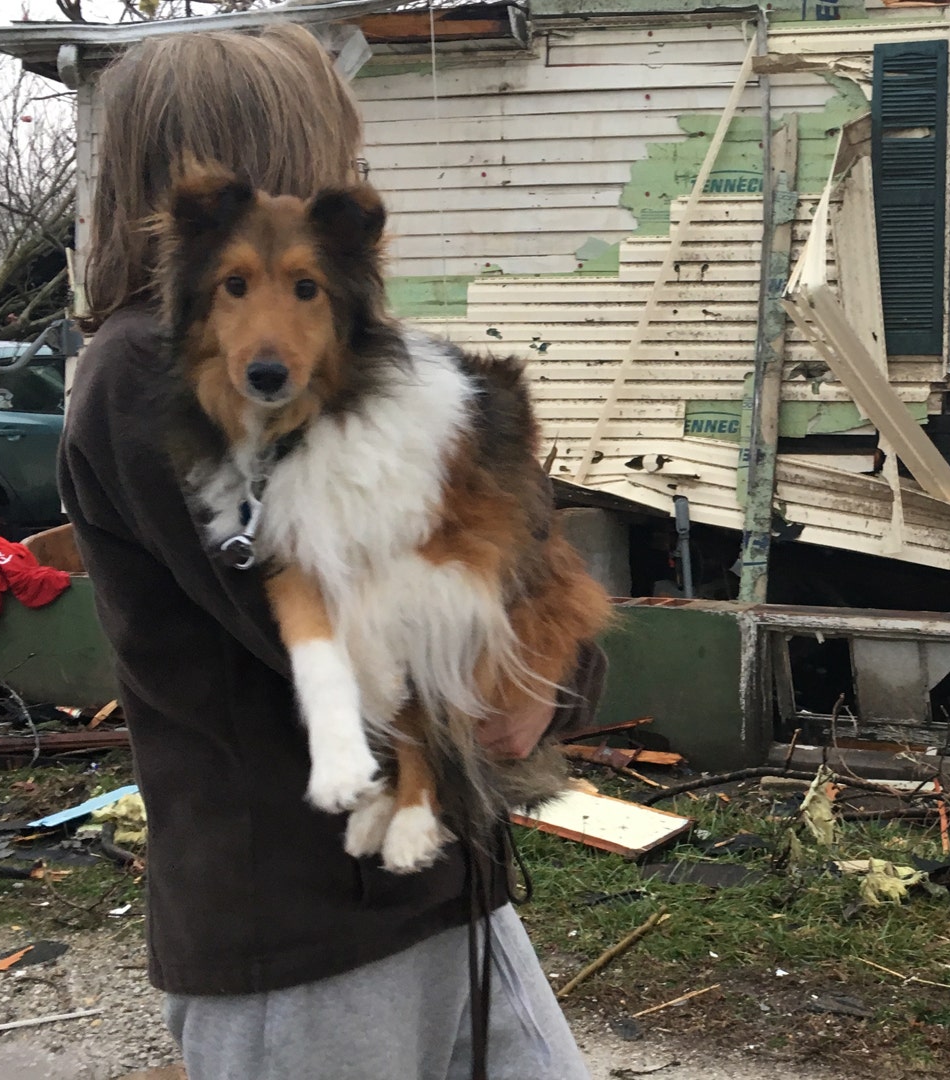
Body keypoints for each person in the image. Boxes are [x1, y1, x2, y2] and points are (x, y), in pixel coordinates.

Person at [57, 24, 595, 1080]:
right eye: (340, 152)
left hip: (442, 883)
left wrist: (551, 674)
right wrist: (508, 667)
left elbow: (497, 553)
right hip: (302, 937)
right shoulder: (155, 375)